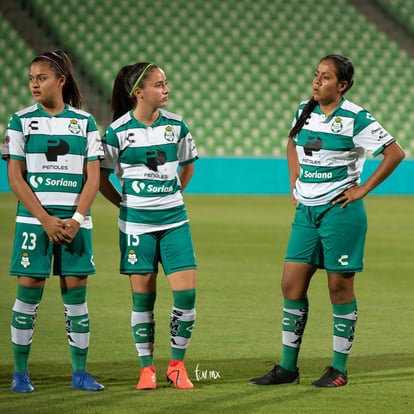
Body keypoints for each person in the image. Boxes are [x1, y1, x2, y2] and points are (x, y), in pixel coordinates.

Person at [249, 54, 405, 387]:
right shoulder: (304, 110)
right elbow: (292, 142)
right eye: (316, 75)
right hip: (306, 211)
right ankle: (288, 368)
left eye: (326, 77)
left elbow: (395, 153)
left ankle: (338, 369)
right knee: (290, 285)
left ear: (343, 85)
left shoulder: (355, 118)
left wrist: (363, 189)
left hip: (340, 213)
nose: (317, 81)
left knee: (339, 287)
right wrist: (294, 178)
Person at [2, 51, 105, 393]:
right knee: (27, 297)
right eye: (31, 78)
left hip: (76, 223)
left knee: (76, 298)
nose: (34, 83)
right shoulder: (19, 121)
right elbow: (16, 178)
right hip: (35, 223)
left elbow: (93, 178)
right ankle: (20, 374)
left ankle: (80, 373)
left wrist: (76, 218)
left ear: (60, 80)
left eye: (41, 77)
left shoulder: (85, 122)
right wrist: (45, 219)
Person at [99, 62, 198, 390]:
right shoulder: (117, 132)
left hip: (175, 223)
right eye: (159, 85)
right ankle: (147, 370)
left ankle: (176, 365)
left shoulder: (177, 126)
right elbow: (100, 178)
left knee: (186, 295)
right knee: (143, 300)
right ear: (138, 92)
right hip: (136, 227)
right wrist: (125, 204)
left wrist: (173, 194)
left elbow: (187, 165)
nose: (166, 89)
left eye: (166, 83)